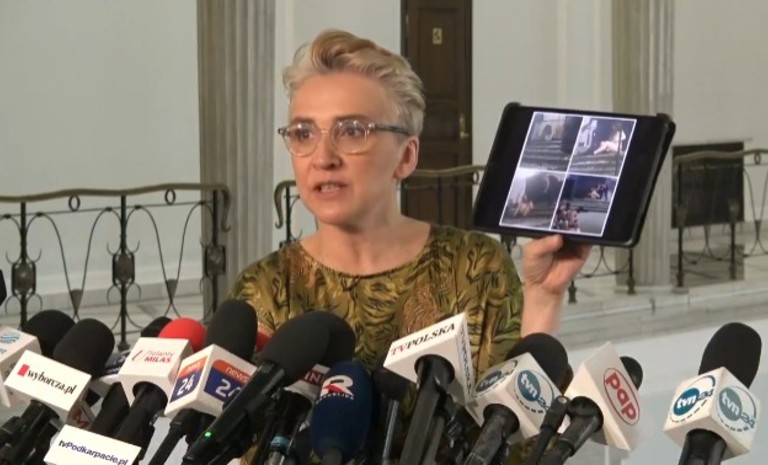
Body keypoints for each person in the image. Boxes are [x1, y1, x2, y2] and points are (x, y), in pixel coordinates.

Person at [229, 29, 591, 464]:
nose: (323, 157)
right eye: (303, 133)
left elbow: (514, 445)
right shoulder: (266, 286)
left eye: (352, 130)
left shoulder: (474, 267)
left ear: (406, 156)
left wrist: (544, 297)